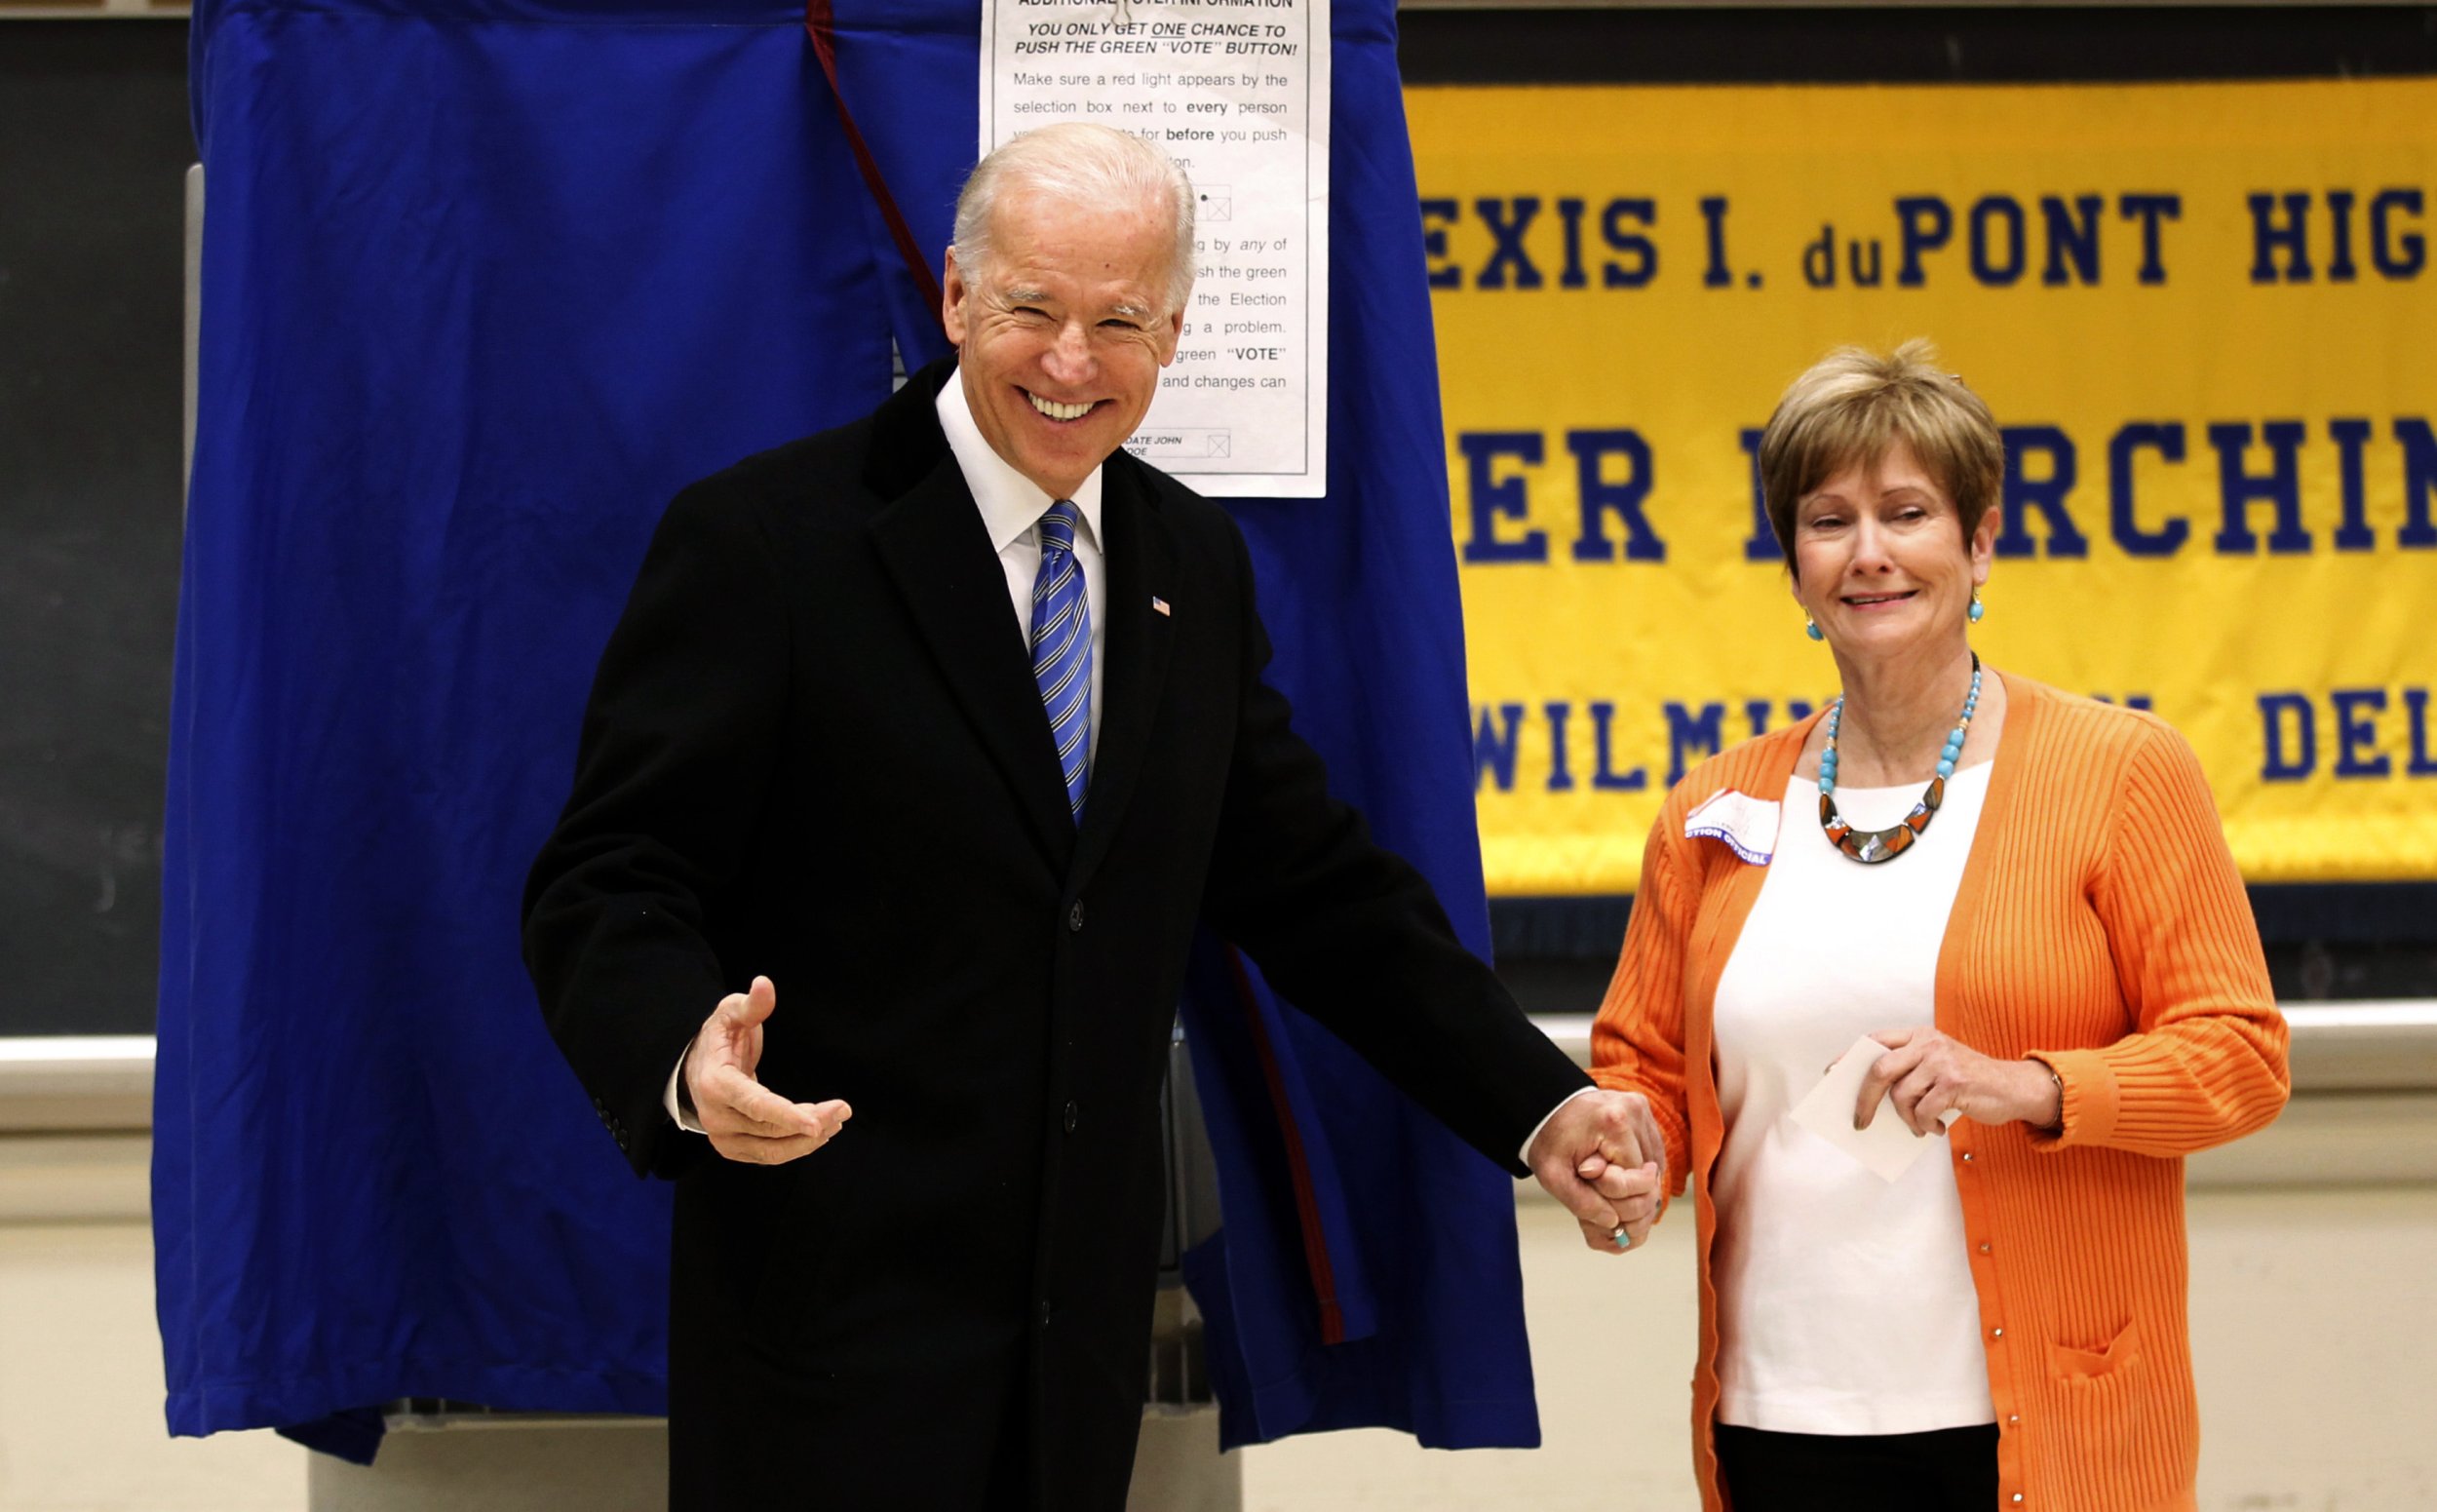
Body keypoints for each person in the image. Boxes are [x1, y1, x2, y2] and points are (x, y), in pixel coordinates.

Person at [522, 122, 1661, 1511]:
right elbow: (608, 874)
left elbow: (1317, 891)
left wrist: (1535, 1100)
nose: (1072, 363)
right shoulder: (770, 542)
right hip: (826, 1343)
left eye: (1119, 321)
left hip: (1078, 1347)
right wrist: (686, 1052)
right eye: (1032, 311)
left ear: (1174, 330)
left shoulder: (1190, 559)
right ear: (954, 296)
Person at [1579, 341, 2290, 1511]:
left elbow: (2240, 1059)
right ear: (1793, 563)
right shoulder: (1713, 812)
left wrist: (2025, 1085)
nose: (1868, 553)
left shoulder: (2119, 772)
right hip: (1776, 1418)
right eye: (1827, 519)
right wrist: (1620, 1153)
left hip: (2041, 1426)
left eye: (1906, 513)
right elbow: (1645, 1075)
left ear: (1981, 542)